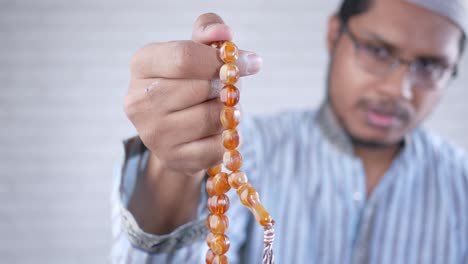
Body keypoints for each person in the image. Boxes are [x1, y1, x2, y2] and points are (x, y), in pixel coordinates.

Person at [111, 0, 468, 263]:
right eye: (377, 50)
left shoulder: (461, 185)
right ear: (334, 36)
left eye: (430, 66)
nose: (399, 90)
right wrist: (176, 166)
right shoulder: (247, 152)